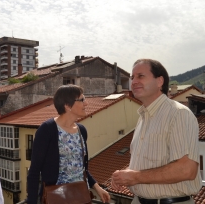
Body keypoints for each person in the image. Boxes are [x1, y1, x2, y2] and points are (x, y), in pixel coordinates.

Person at [111, 59, 202, 204]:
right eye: (132, 77)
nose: (133, 81)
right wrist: (125, 175)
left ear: (160, 81)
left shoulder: (178, 114)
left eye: (140, 76)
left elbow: (187, 170)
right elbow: (146, 164)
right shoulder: (143, 118)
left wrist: (135, 177)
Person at [27, 84, 110, 204]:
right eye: (82, 100)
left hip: (81, 197)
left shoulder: (82, 130)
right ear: (67, 105)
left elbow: (82, 169)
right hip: (56, 199)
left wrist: (97, 188)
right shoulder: (47, 129)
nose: (86, 103)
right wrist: (31, 201)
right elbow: (34, 171)